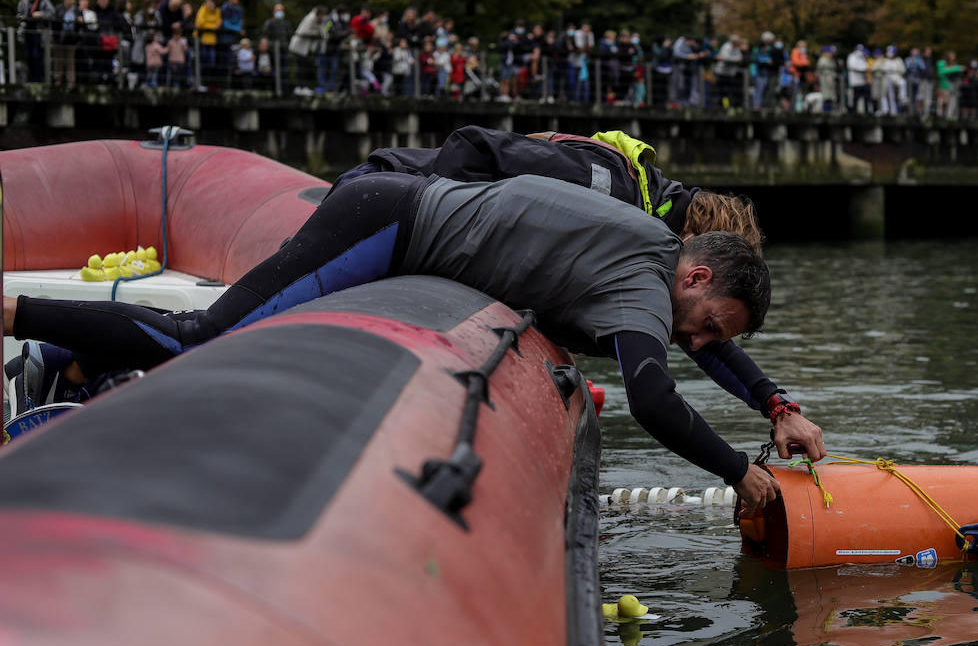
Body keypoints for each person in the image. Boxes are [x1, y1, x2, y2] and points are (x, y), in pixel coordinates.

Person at [3, 174, 824, 509]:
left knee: (208, 333)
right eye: (706, 325)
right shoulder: (641, 284)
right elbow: (653, 395)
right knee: (201, 338)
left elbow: (702, 349)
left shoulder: (653, 259)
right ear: (697, 280)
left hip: (401, 218)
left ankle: (68, 360)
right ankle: (17, 317)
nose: (698, 341)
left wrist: (774, 401)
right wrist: (739, 472)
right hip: (386, 221)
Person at [332, 125, 759, 247]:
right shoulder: (605, 185)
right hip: (381, 187)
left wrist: (773, 401)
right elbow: (471, 143)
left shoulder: (643, 208)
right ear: (694, 235)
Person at [16, 0, 55, 84]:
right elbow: (18, 14)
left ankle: (38, 80)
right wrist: (21, 17)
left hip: (38, 33)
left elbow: (52, 13)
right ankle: (31, 78)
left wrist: (41, 14)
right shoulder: (24, 0)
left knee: (37, 55)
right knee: (28, 56)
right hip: (26, 33)